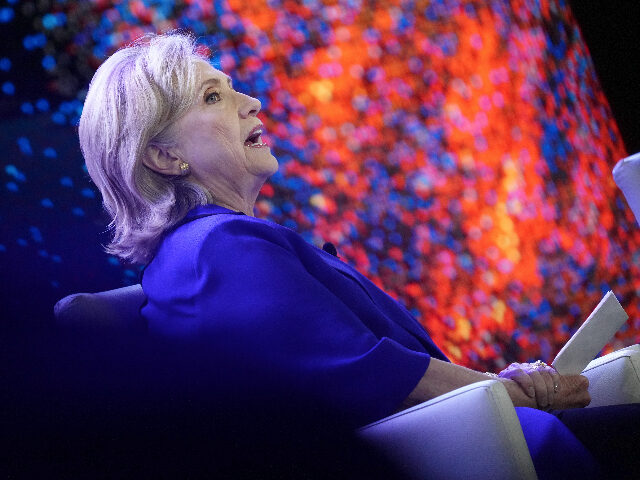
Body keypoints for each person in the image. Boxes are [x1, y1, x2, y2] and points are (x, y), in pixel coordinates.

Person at [78, 31, 638, 479]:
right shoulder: (217, 249)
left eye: (231, 87)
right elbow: (370, 374)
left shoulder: (203, 248)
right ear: (163, 155)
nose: (251, 102)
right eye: (213, 97)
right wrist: (512, 391)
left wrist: (501, 386)